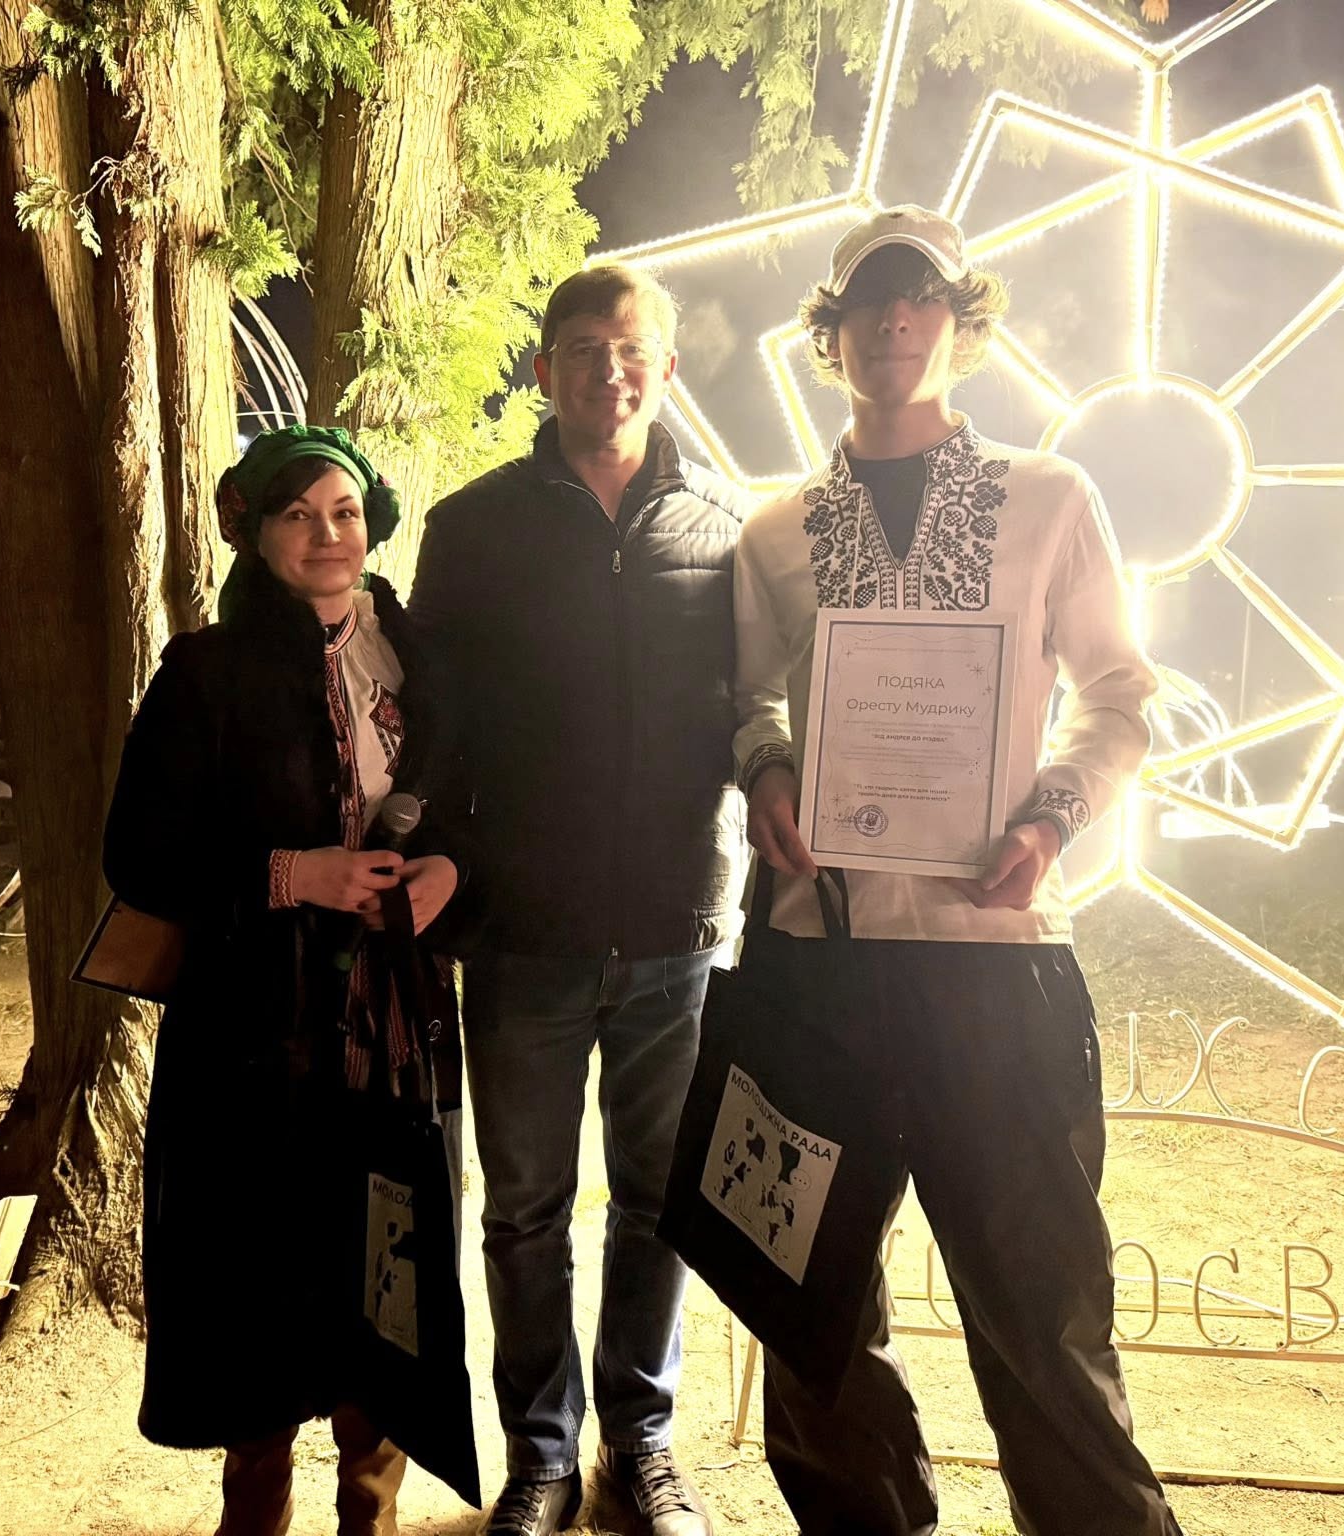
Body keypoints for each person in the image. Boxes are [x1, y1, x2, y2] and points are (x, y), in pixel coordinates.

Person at [732, 205, 1183, 1535]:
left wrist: (1053, 816)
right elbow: (743, 699)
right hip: (821, 960)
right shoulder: (776, 530)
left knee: (1040, 1312)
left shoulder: (1050, 500)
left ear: (958, 322)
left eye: (918, 296)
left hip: (996, 961)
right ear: (830, 334)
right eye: (867, 301)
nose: (892, 320)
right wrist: (766, 770)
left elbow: (1119, 692)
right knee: (809, 1306)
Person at [411, 263, 744, 1536]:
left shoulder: (722, 529)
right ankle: (541, 1458)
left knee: (658, 1208)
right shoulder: (472, 528)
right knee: (522, 1215)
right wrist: (445, 864)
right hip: (522, 935)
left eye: (632, 347)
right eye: (583, 347)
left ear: (665, 369)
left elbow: (755, 713)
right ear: (544, 369)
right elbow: (435, 729)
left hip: (674, 928)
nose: (610, 368)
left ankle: (637, 1446)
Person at [104, 426, 468, 1536]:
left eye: (344, 511)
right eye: (298, 514)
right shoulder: (204, 673)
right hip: (253, 1030)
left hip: (392, 1021)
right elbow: (140, 857)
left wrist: (451, 871)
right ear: (256, 534)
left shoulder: (422, 661)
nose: (326, 534)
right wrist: (291, 873)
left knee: (385, 1261)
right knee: (256, 1276)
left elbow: (475, 808)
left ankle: (372, 1515)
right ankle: (253, 1518)